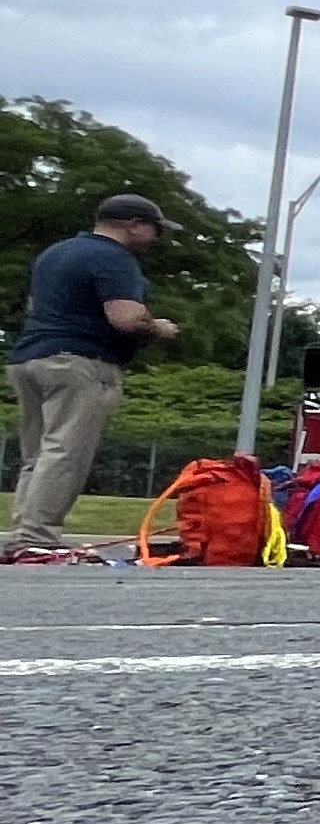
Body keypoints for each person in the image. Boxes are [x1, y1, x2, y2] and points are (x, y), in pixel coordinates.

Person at [9, 193, 177, 556]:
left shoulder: (55, 253)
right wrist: (159, 328)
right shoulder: (114, 258)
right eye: (155, 229)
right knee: (66, 452)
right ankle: (37, 539)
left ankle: (24, 532)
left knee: (38, 454)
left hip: (29, 359)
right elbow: (126, 318)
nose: (156, 237)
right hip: (80, 362)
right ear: (134, 224)